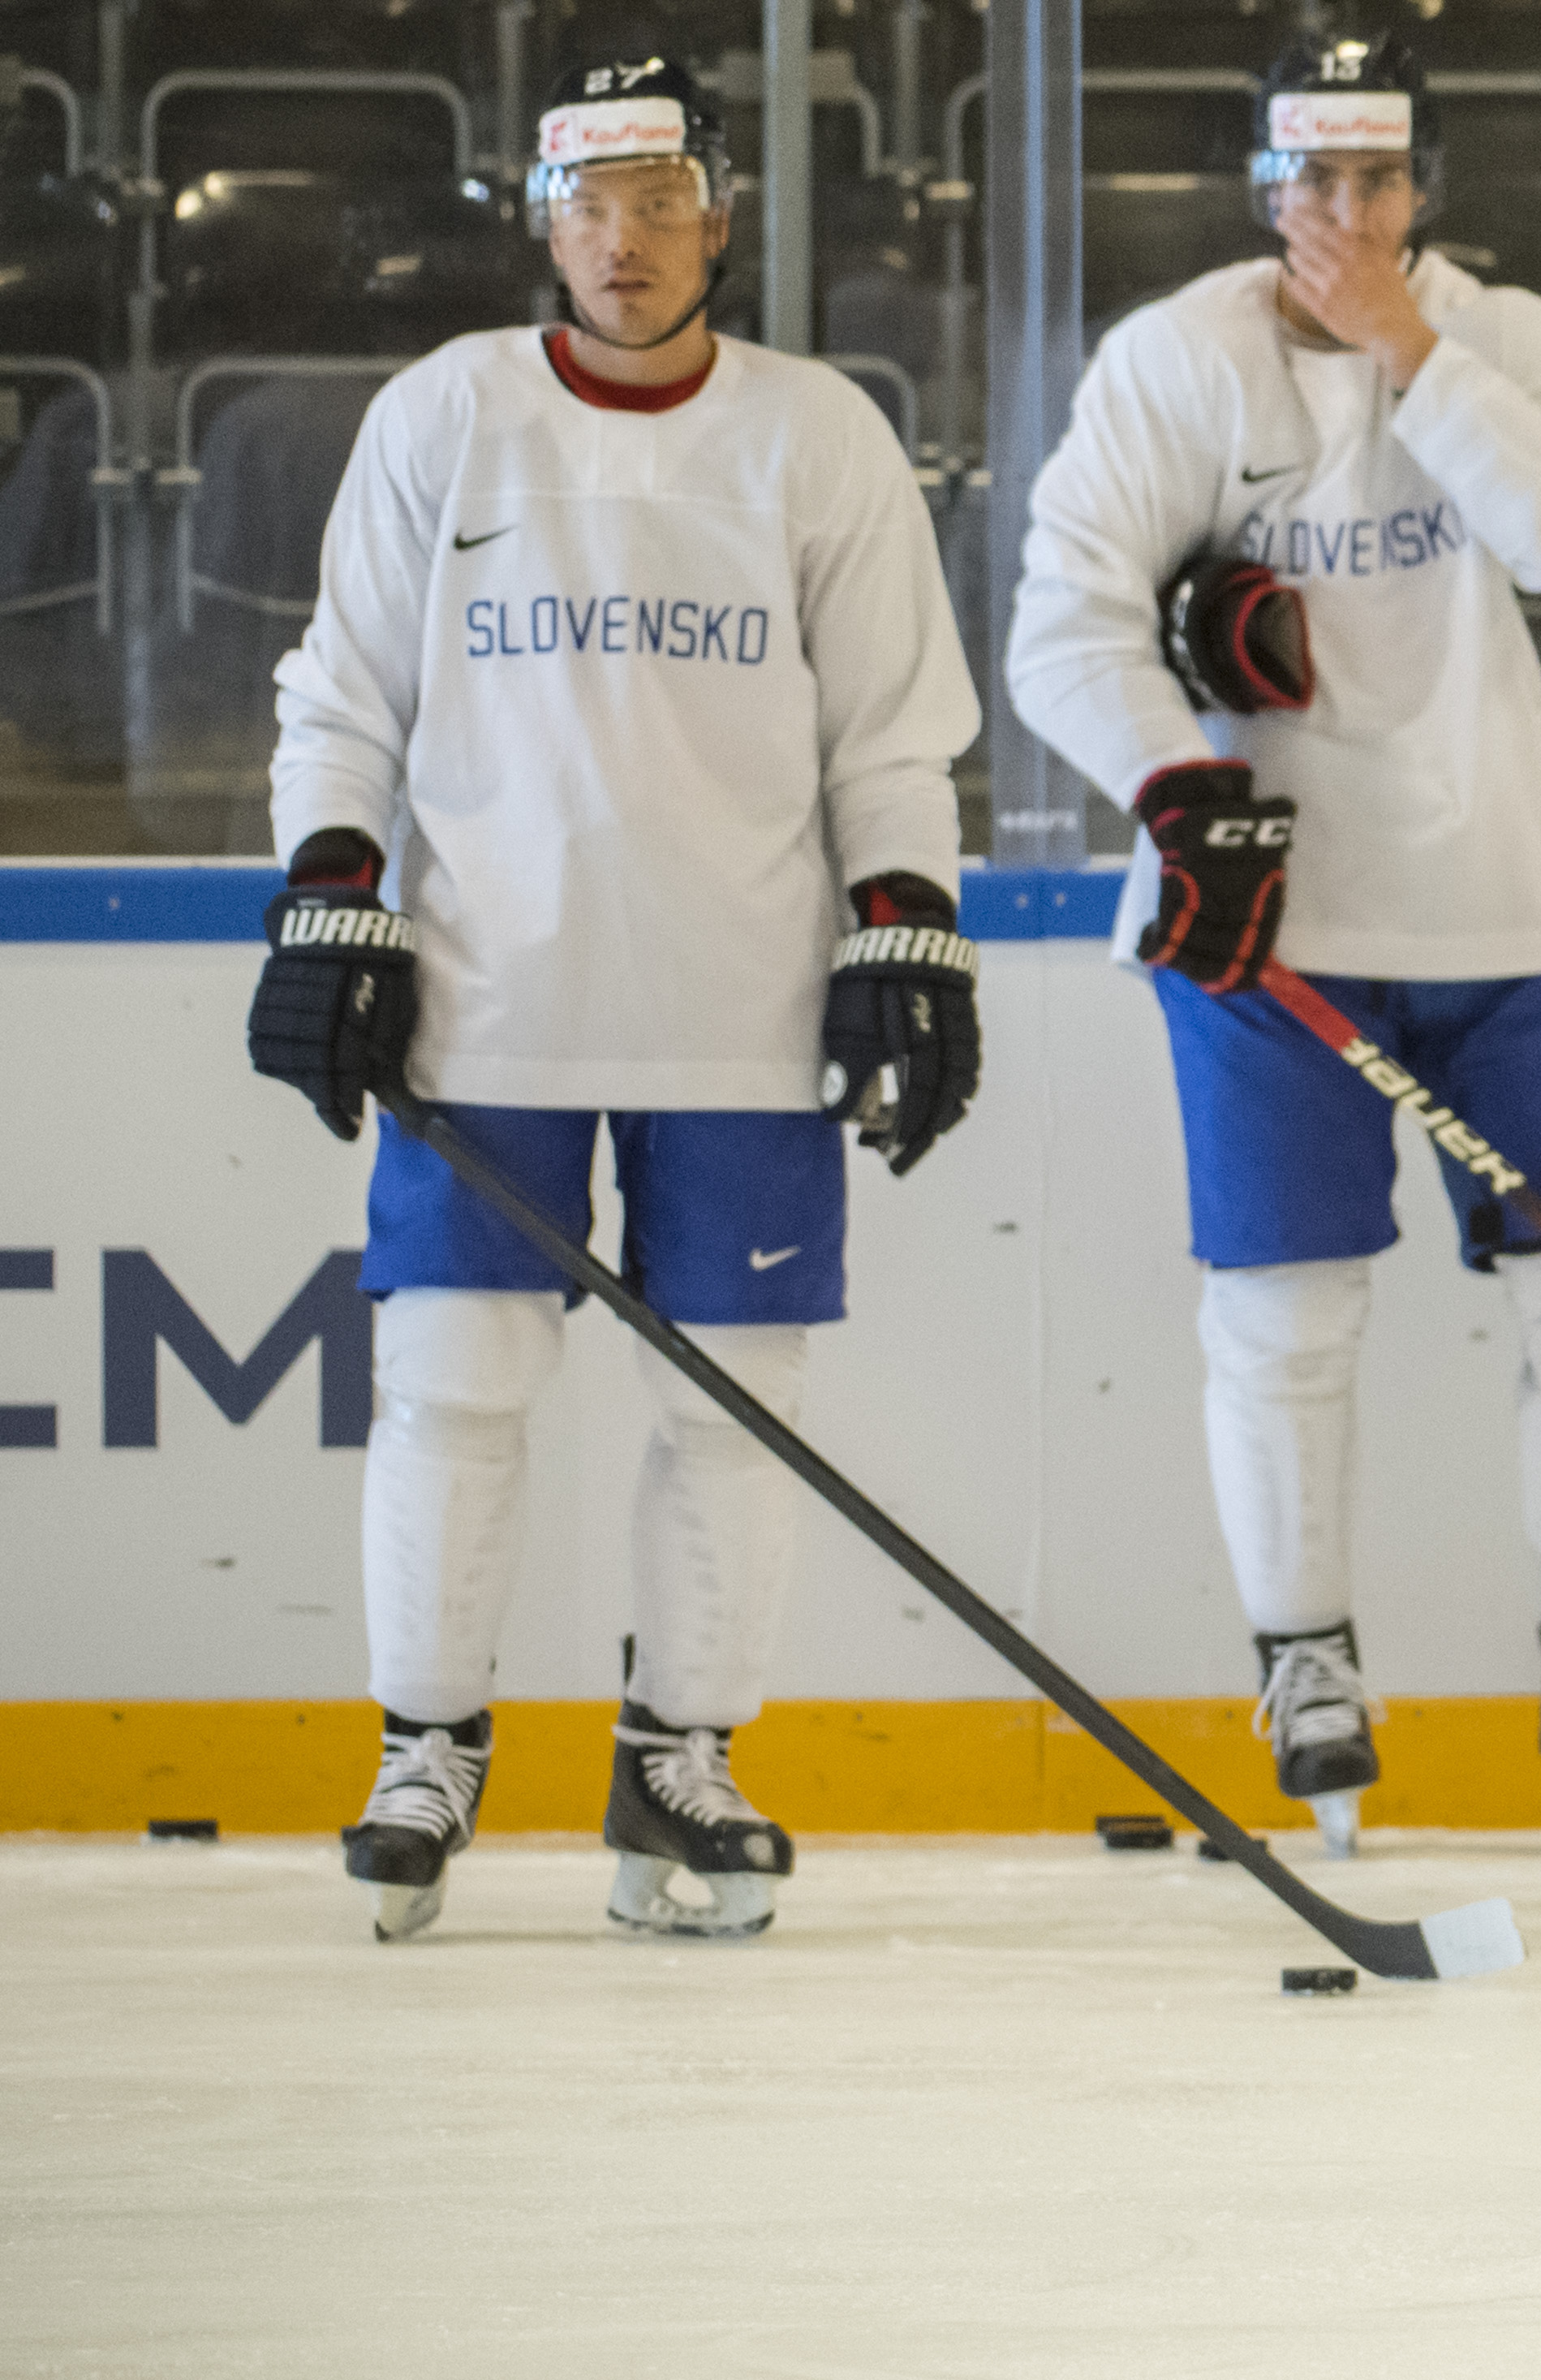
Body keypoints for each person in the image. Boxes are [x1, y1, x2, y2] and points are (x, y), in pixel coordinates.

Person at [248, 57, 983, 1942]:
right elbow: (343, 697)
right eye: (591, 204)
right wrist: (334, 891)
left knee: (738, 1402)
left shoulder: (818, 436)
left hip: (741, 1007)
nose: (626, 239)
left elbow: (897, 734)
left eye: (662, 200)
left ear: (721, 216)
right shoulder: (448, 415)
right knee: (452, 1384)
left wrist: (905, 931)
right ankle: (427, 1745)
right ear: (545, 221)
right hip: (486, 998)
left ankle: (681, 1757)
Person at [1007, 31, 1541, 1856]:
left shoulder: (1504, 337)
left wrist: (1419, 356)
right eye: (1313, 181)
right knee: (1284, 1316)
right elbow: (1060, 626)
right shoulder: (1174, 360)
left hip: (1507, 906)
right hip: (1270, 934)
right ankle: (1306, 1657)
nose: (1345, 215)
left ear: (1425, 188)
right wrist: (1179, 788)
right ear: (1264, 186)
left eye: (1380, 181)